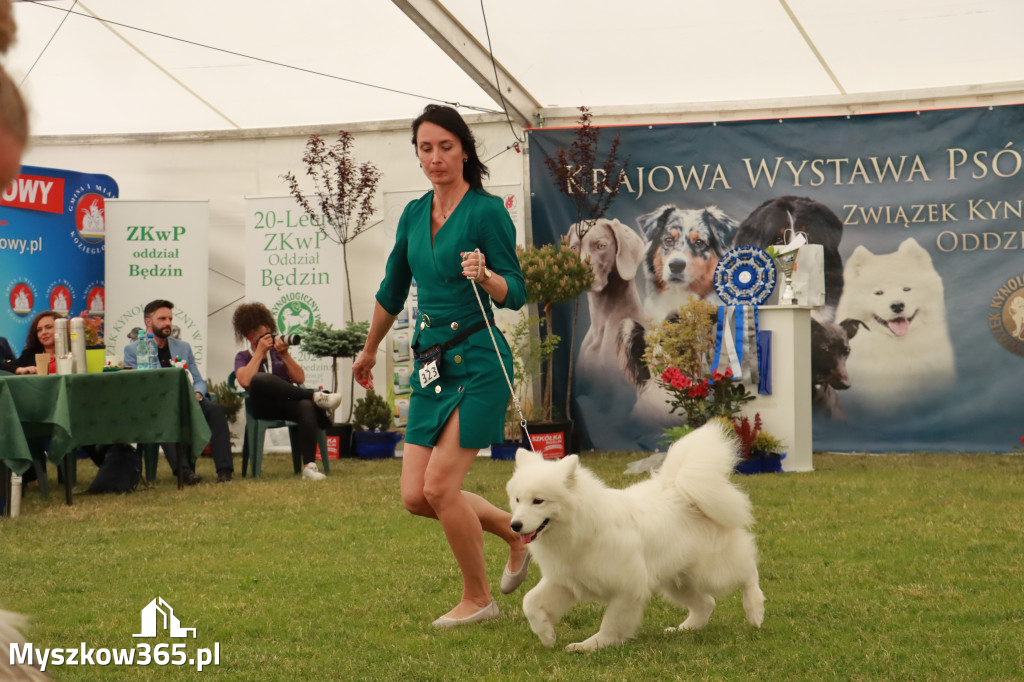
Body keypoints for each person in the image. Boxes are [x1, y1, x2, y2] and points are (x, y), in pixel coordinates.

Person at [352, 104, 530, 627]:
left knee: (439, 488)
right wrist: (369, 350)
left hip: (479, 362)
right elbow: (391, 289)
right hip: (431, 365)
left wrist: (488, 277)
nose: (435, 158)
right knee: (415, 496)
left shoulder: (487, 212)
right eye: (425, 148)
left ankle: (478, 599)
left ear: (465, 150)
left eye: (445, 147)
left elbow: (515, 291)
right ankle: (517, 534)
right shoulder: (412, 214)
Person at [124, 300, 234, 484]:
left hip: (188, 400)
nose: (168, 323)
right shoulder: (134, 350)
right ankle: (184, 472)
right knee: (165, 414)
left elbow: (198, 380)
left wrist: (198, 393)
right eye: (162, 319)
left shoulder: (183, 347)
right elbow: (136, 384)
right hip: (156, 406)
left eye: (170, 318)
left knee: (215, 410)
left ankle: (224, 472)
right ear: (148, 322)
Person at [231, 302, 339, 481]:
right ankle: (315, 396)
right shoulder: (243, 356)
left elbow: (300, 378)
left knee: (305, 405)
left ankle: (309, 467)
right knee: (259, 379)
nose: (270, 339)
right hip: (262, 407)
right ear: (251, 338)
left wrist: (285, 355)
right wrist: (259, 353)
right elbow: (244, 380)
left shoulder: (277, 354)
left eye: (271, 334)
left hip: (285, 403)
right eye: (265, 336)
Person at [0, 310, 58, 375]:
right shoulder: (29, 355)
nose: (44, 332)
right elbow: (2, 366)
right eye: (39, 330)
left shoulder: (71, 352)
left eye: (49, 327)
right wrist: (18, 369)